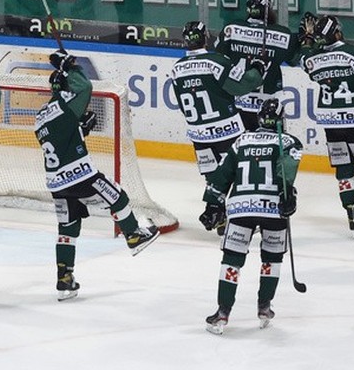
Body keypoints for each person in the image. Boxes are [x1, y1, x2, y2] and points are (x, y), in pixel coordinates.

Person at [38, 52, 160, 300]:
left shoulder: (41, 115)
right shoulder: (65, 106)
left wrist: (80, 130)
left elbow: (61, 138)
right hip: (80, 175)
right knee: (118, 197)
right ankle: (134, 235)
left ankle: (64, 280)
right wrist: (69, 64)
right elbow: (85, 87)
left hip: (55, 182)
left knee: (67, 227)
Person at [203, 99, 302, 335]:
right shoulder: (290, 142)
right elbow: (285, 172)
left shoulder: (241, 141)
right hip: (273, 209)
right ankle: (264, 308)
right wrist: (287, 195)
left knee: (232, 260)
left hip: (240, 208)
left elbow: (222, 175)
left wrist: (212, 204)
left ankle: (223, 312)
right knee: (271, 259)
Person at [170, 19, 265, 234]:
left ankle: (218, 214)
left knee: (213, 176)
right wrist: (258, 69)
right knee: (241, 173)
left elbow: (181, 105)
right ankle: (242, 218)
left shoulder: (177, 69)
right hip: (227, 130)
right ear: (206, 37)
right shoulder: (216, 62)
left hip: (198, 133)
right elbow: (241, 86)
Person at [295, 13, 354, 236]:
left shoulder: (313, 59)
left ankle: (350, 211)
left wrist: (307, 40)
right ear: (338, 32)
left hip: (331, 123)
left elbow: (303, 59)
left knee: (344, 168)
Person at [216, 0, 296, 132]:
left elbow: (219, 57)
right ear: (268, 10)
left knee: (243, 147)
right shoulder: (282, 34)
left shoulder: (231, 29)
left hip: (239, 101)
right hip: (270, 107)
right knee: (273, 148)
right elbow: (293, 59)